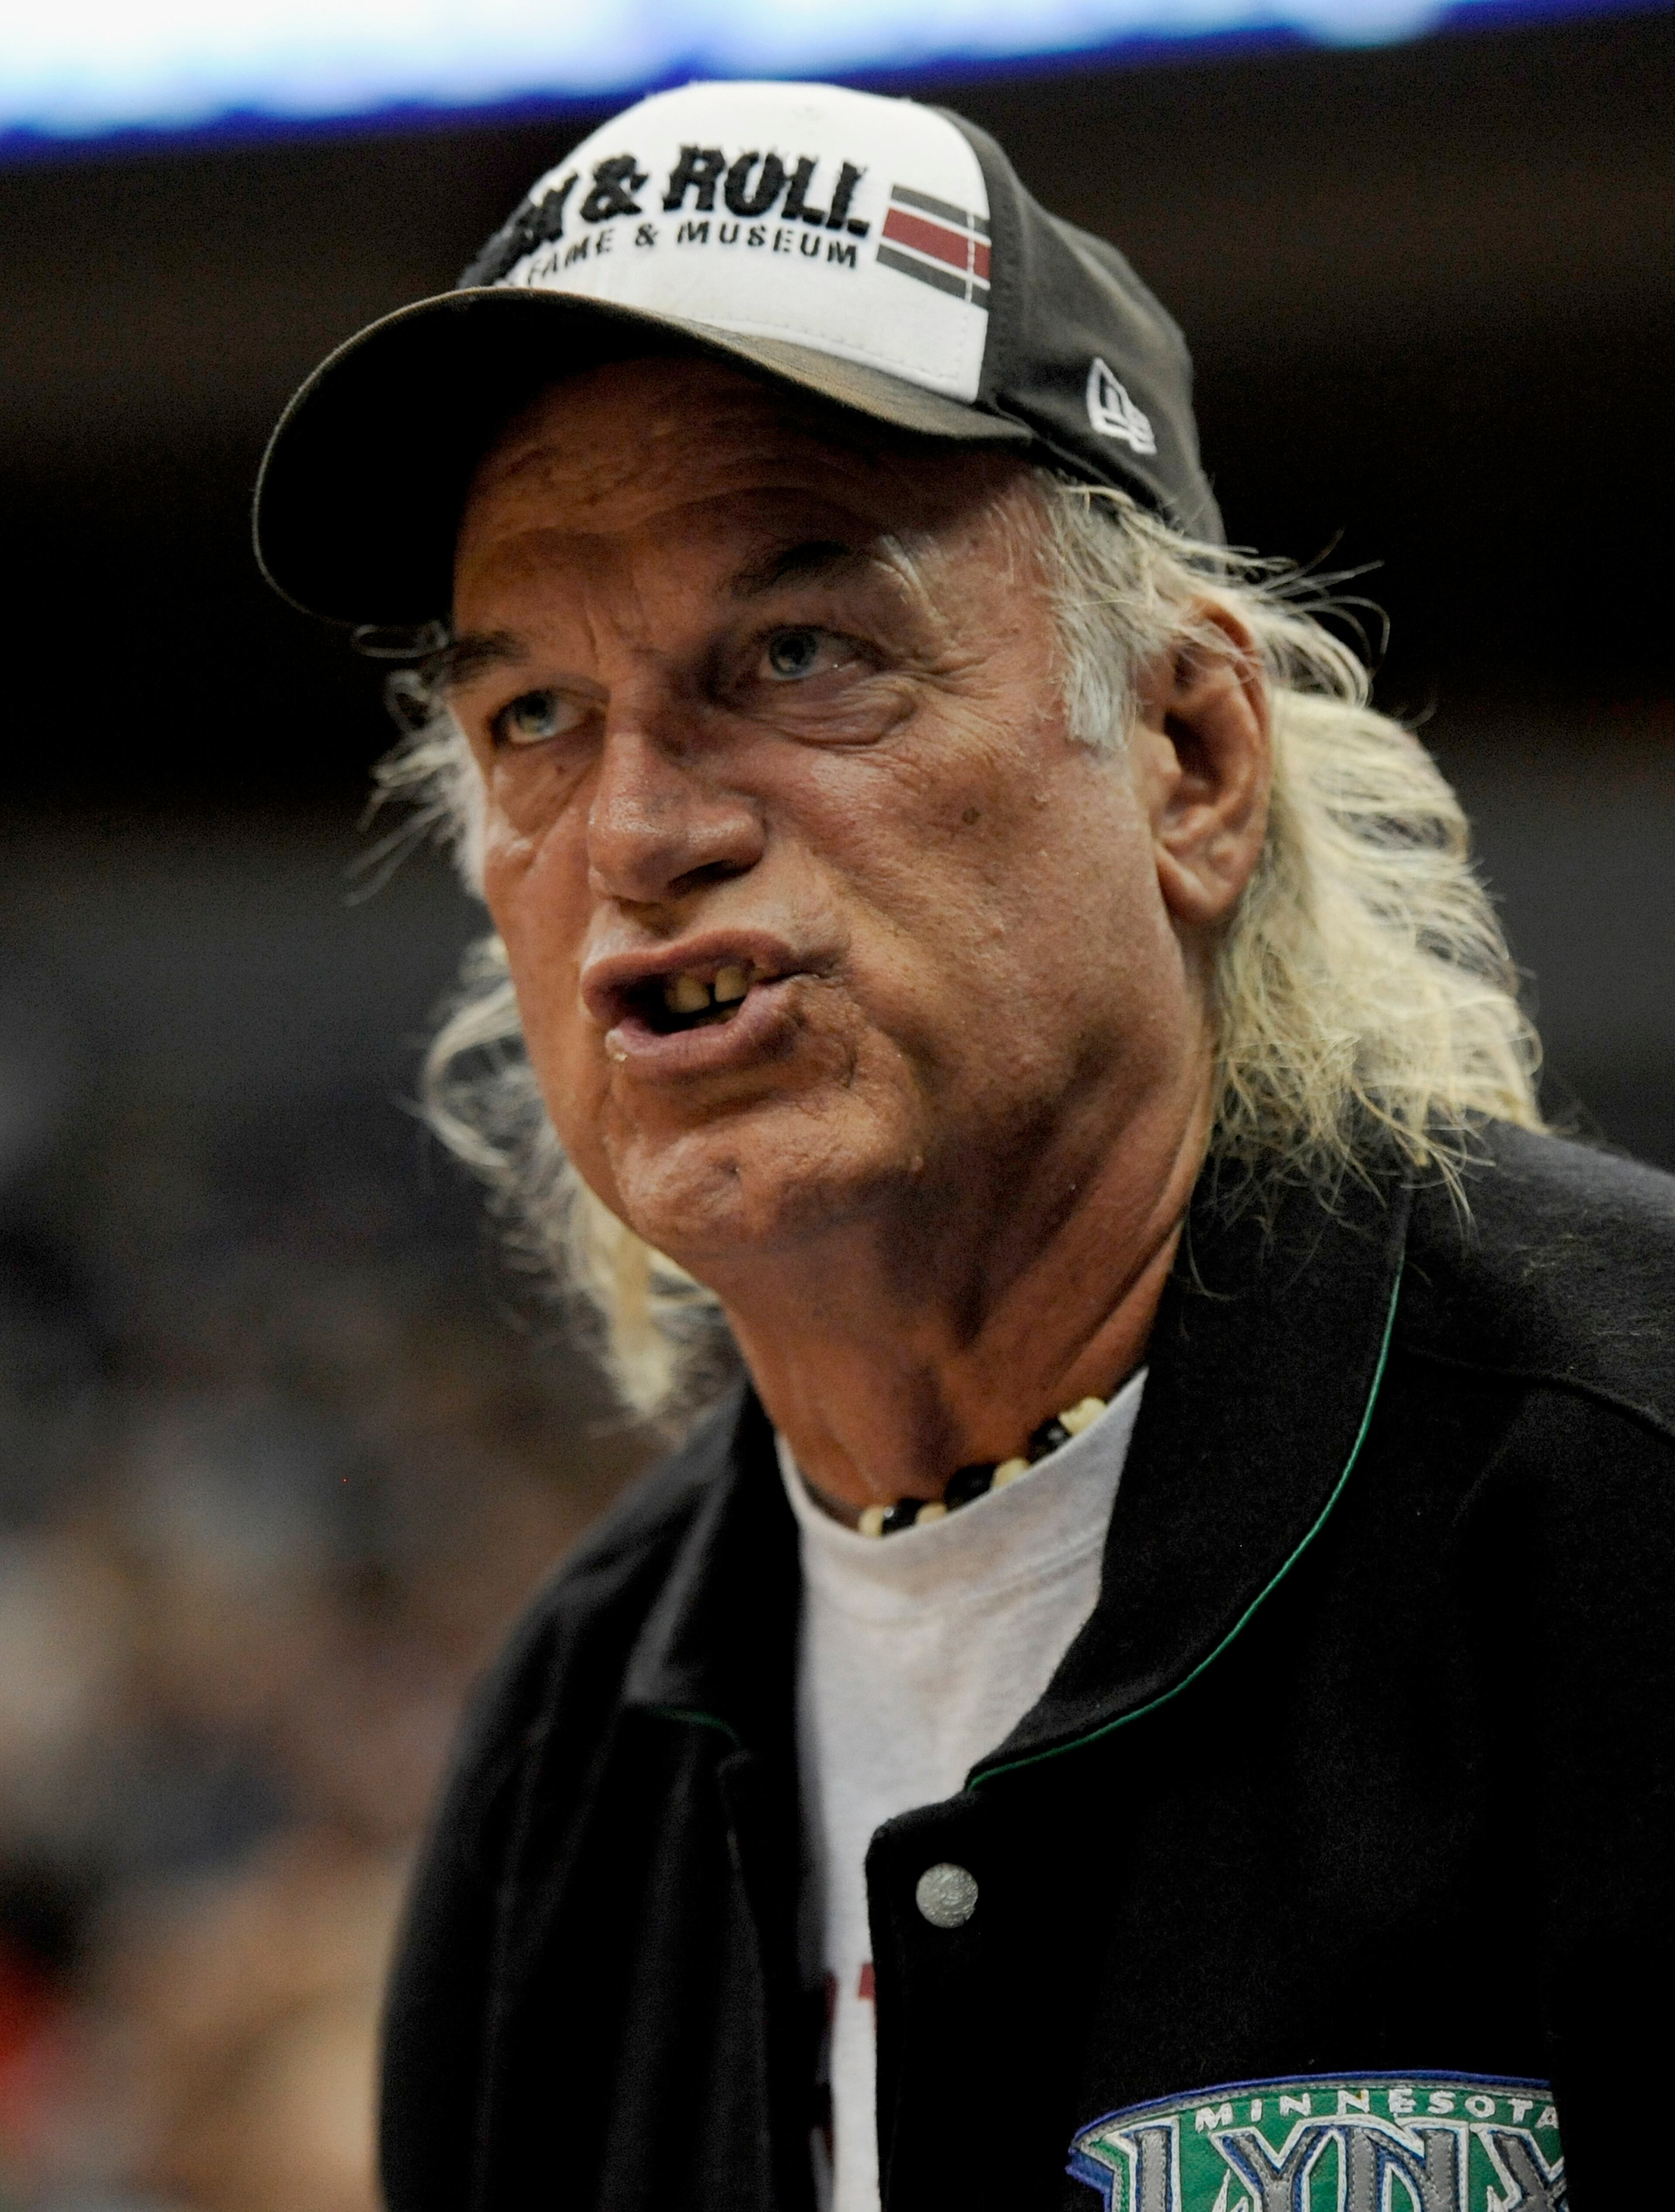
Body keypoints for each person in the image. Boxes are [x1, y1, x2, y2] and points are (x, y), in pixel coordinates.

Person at [253, 78, 1675, 2212]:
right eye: (533, 714)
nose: (640, 829)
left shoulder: (1628, 1503)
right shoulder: (560, 1768)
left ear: (1190, 757)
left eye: (796, 651)